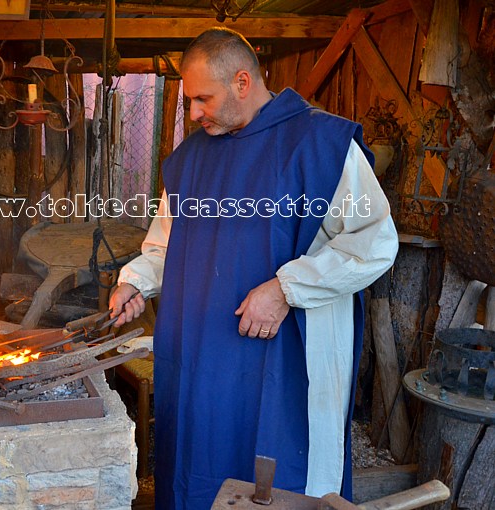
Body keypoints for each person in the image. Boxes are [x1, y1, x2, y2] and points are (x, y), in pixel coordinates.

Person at [109, 27, 399, 509]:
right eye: (190, 101)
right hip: (200, 361)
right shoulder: (189, 160)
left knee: (284, 477)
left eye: (204, 98)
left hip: (286, 359)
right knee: (197, 469)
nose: (194, 113)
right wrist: (134, 282)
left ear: (243, 82)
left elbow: (375, 242)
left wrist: (287, 289)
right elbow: (166, 245)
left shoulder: (321, 144)